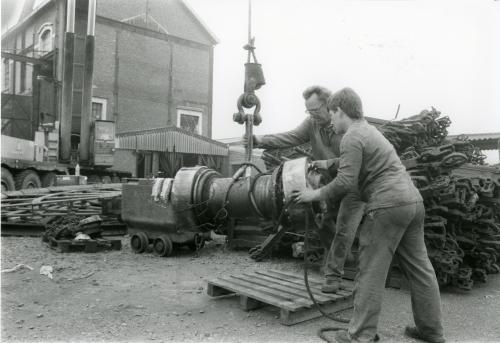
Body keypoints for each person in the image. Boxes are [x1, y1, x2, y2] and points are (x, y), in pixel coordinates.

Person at [292, 88, 445, 343]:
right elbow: (354, 162)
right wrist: (326, 164)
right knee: (421, 270)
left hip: (387, 205)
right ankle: (432, 332)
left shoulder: (350, 136)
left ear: (341, 111)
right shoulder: (369, 130)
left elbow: (344, 183)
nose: (330, 120)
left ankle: (360, 335)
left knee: (370, 270)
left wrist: (313, 195)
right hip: (412, 203)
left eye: (332, 114)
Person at [243, 85, 365, 293]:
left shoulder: (348, 128)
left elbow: (352, 162)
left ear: (330, 106)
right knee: (324, 222)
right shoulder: (312, 124)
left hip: (353, 184)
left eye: (315, 110)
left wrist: (328, 165)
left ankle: (335, 275)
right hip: (329, 183)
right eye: (308, 111)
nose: (311, 115)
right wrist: (261, 140)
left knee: (343, 227)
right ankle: (342, 262)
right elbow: (291, 137)